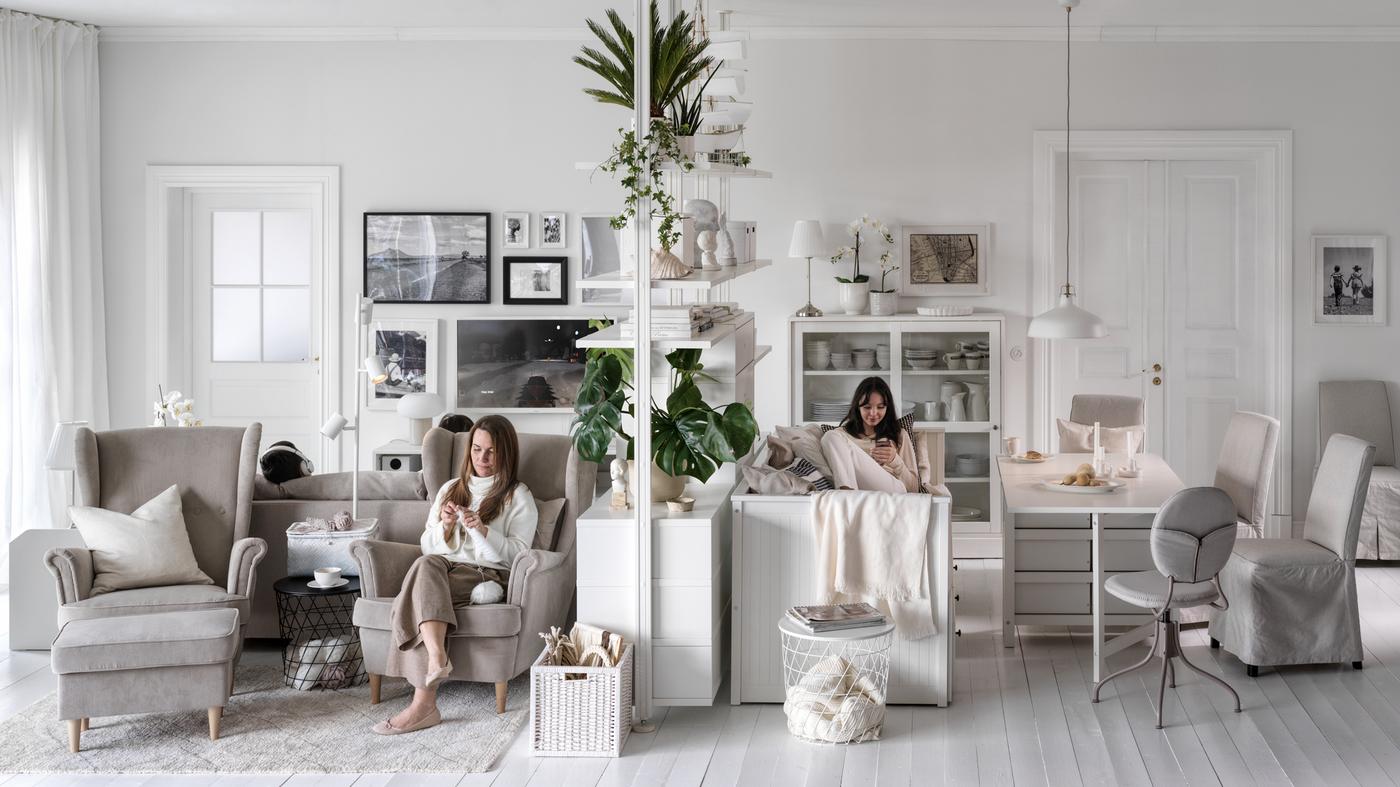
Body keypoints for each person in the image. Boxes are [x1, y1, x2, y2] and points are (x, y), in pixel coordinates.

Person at [372, 415, 539, 734]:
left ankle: (423, 703)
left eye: (492, 451)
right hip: (440, 569)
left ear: (507, 453)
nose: (483, 458)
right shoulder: (451, 489)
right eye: (476, 449)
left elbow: (519, 554)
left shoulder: (518, 496)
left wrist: (484, 532)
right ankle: (436, 659)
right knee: (426, 565)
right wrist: (446, 526)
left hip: (486, 574)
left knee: (420, 583)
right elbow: (426, 545)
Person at [819, 376, 920, 494]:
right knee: (830, 436)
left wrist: (894, 460)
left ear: (887, 408)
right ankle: (848, 494)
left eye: (880, 407)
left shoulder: (899, 435)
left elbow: (914, 488)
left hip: (892, 490)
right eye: (867, 407)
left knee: (832, 437)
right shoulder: (841, 436)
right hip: (858, 490)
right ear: (857, 407)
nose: (873, 413)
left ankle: (847, 497)